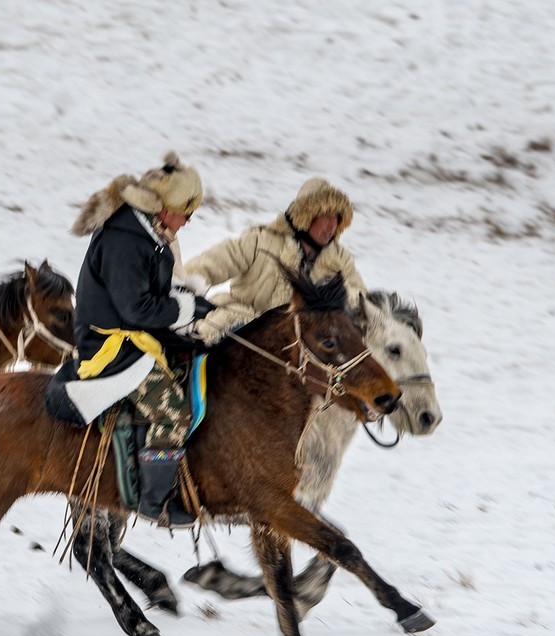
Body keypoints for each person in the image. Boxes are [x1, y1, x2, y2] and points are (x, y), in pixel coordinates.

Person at [61, 151, 215, 528]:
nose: (189, 219)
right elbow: (137, 309)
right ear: (163, 207)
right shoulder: (125, 240)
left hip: (136, 338)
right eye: (186, 210)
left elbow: (153, 301)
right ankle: (154, 502)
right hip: (109, 346)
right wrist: (184, 309)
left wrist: (191, 311)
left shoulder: (150, 235)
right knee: (173, 412)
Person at [180, 177, 367, 342]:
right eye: (327, 216)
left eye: (337, 218)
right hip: (243, 324)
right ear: (307, 214)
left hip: (301, 343)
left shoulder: (339, 258)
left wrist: (332, 294)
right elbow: (213, 263)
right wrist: (178, 287)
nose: (332, 225)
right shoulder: (262, 240)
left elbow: (361, 299)